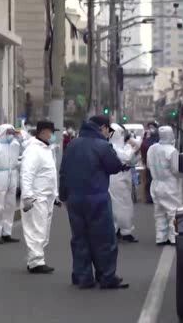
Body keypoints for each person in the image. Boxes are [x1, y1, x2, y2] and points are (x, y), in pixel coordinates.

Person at [59, 115, 130, 289]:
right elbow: (113, 166)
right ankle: (106, 277)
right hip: (96, 197)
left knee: (80, 238)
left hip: (75, 199)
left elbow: (63, 172)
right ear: (103, 128)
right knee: (104, 239)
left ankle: (83, 277)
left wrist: (63, 196)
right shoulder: (103, 146)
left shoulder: (72, 144)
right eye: (108, 130)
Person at [20, 121, 61, 274]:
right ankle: (37, 261)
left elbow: (49, 176)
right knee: (37, 230)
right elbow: (27, 174)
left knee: (42, 230)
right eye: (52, 132)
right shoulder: (33, 150)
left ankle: (34, 259)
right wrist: (28, 196)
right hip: (36, 197)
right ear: (44, 132)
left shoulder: (45, 150)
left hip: (46, 197)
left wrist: (55, 196)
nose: (53, 135)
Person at [147, 126, 181, 246]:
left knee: (159, 212)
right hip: (169, 184)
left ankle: (160, 237)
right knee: (173, 212)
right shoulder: (172, 151)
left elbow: (148, 165)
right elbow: (176, 170)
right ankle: (173, 237)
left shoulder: (152, 148)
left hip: (155, 183)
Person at [108, 123, 139, 243]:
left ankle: (120, 230)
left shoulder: (120, 146)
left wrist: (133, 149)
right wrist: (131, 147)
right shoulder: (112, 146)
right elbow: (125, 157)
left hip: (124, 176)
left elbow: (132, 160)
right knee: (120, 206)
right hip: (116, 177)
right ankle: (123, 231)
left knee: (123, 205)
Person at [140, 122, 160, 204]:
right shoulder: (146, 139)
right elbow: (143, 147)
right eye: (149, 127)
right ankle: (149, 198)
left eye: (152, 127)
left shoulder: (159, 138)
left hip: (159, 164)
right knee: (149, 181)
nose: (151, 129)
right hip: (148, 163)